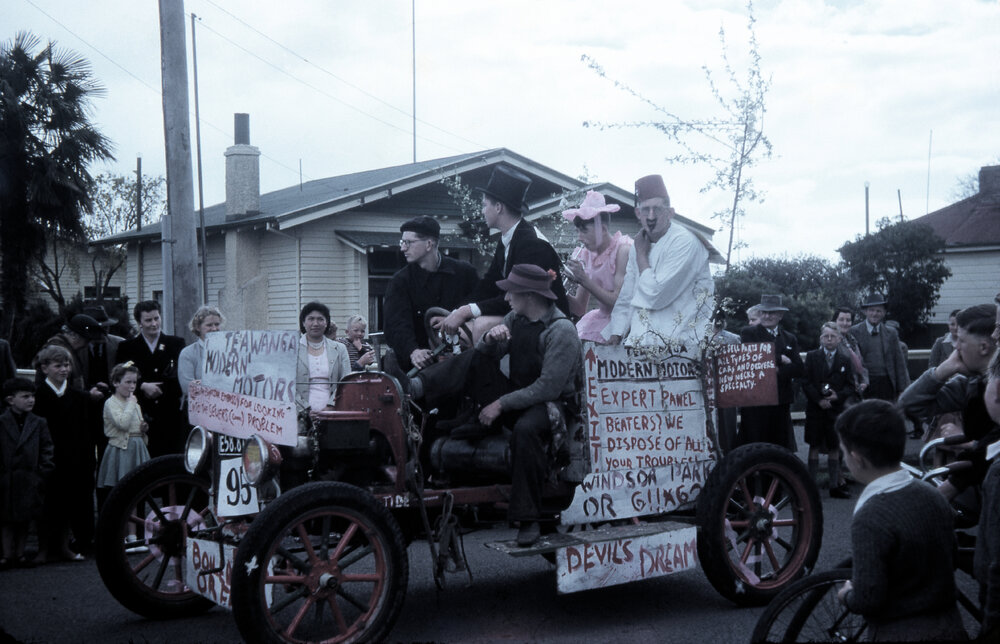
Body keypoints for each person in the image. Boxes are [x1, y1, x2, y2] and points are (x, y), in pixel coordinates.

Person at [399, 264, 582, 546]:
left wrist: (499, 404)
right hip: (519, 397)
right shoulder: (515, 318)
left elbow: (549, 388)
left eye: (511, 293)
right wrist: (488, 339)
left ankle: (530, 518)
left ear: (530, 296)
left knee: (526, 430)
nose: (506, 299)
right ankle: (417, 387)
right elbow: (483, 357)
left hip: (552, 407)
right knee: (476, 359)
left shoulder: (561, 330)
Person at [835, 400, 966, 641]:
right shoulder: (933, 496)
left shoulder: (871, 516)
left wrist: (847, 595)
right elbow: (952, 558)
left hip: (898, 631)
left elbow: (868, 597)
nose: (844, 460)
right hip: (950, 625)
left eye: (844, 453)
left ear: (857, 458)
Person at [440, 165, 568, 339]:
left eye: (485, 205)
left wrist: (467, 311)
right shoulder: (509, 237)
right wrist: (455, 312)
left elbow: (520, 296)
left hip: (546, 325)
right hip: (522, 314)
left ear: (498, 207)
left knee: (482, 325)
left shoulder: (532, 244)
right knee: (456, 331)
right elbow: (489, 284)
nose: (482, 211)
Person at [897, 303, 999, 500]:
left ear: (984, 347)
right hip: (979, 483)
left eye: (960, 340)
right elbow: (910, 404)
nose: (955, 346)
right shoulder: (971, 383)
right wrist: (943, 370)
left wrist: (971, 444)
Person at [604, 174, 714, 349]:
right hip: (641, 344)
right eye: (646, 210)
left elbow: (656, 295)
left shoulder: (685, 241)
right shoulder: (638, 244)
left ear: (670, 213)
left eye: (658, 209)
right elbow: (627, 295)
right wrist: (616, 332)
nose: (651, 216)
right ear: (638, 214)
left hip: (681, 345)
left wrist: (641, 256)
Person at [383, 215, 478, 371]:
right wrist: (413, 351)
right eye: (402, 242)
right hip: (421, 365)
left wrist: (456, 316)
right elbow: (396, 325)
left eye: (408, 243)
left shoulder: (465, 273)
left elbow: (480, 304)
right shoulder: (399, 282)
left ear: (429, 244)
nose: (402, 248)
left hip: (463, 359)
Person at [32, 346, 92, 561]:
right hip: (49, 459)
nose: (64, 370)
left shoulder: (80, 397)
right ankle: (44, 548)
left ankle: (66, 546)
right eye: (58, 366)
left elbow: (86, 433)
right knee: (48, 504)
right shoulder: (37, 398)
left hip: (75, 459)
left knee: (71, 503)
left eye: (66, 365)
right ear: (44, 368)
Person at [114, 301, 185, 457]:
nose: (154, 324)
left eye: (156, 318)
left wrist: (161, 389)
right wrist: (142, 386)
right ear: (139, 323)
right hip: (139, 414)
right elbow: (119, 378)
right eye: (148, 320)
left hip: (169, 414)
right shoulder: (127, 347)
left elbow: (181, 377)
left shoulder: (176, 344)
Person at [562, 190, 632, 343]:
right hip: (601, 319)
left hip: (627, 324)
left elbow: (619, 302)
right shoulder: (587, 255)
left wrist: (584, 279)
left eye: (584, 230)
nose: (579, 237)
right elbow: (580, 307)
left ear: (603, 230)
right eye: (578, 231)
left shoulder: (623, 250)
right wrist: (556, 290)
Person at [95, 362, 150, 552]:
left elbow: (137, 428)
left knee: (135, 494)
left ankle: (134, 537)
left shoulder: (133, 402)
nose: (131, 386)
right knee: (122, 494)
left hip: (136, 447)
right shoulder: (111, 403)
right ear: (116, 382)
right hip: (121, 450)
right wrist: (131, 405)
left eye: (134, 382)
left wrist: (143, 430)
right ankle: (123, 536)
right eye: (127, 382)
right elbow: (122, 424)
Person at [737, 295, 804, 450]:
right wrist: (780, 358)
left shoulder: (789, 338)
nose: (767, 316)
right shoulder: (749, 333)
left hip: (781, 400)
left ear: (780, 315)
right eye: (764, 312)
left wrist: (777, 370)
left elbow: (799, 368)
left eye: (772, 313)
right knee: (754, 444)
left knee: (779, 444)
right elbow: (751, 358)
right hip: (755, 401)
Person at [0, 378, 53, 569]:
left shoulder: (38, 422)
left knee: (24, 518)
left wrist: (42, 472)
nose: (31, 400)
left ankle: (20, 554)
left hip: (30, 478)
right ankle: (6, 555)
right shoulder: (2, 421)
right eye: (25, 396)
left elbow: (47, 448)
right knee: (6, 519)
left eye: (32, 396)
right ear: (10, 400)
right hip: (7, 479)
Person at [801, 322, 855, 498]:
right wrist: (818, 400)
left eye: (833, 336)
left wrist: (836, 396)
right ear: (820, 338)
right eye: (826, 336)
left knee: (834, 446)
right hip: (816, 410)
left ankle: (834, 486)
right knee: (814, 445)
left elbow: (850, 386)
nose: (829, 339)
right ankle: (811, 486)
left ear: (839, 339)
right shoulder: (812, 356)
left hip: (834, 410)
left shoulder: (845, 360)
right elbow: (806, 383)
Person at [848, 293, 909, 403]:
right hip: (865, 383)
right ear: (865, 311)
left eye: (878, 311)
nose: (874, 314)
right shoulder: (854, 331)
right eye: (871, 310)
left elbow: (899, 363)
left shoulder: (891, 333)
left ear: (884, 313)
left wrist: (902, 389)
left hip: (886, 382)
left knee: (886, 415)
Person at [298, 303, 351, 415]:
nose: (315, 323)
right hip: (298, 414)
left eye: (320, 319)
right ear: (303, 322)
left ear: (326, 323)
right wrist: (304, 410)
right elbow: (286, 385)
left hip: (333, 413)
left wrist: (331, 406)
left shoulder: (340, 349)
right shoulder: (292, 349)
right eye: (311, 319)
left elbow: (346, 381)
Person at [178, 305, 225, 405]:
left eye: (217, 324)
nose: (214, 329)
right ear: (198, 327)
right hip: (198, 410)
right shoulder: (188, 353)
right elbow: (187, 387)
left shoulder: (228, 351)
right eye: (209, 325)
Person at [710, 309, 740, 452]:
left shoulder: (734, 339)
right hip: (708, 385)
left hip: (727, 385)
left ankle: (729, 452)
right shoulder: (701, 338)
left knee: (728, 424)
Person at [832, 306, 867, 398]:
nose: (845, 323)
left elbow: (862, 364)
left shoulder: (852, 340)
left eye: (848, 320)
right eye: (841, 320)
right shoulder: (831, 341)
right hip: (840, 392)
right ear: (835, 321)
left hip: (856, 391)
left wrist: (864, 382)